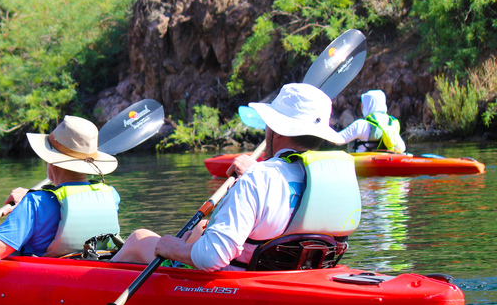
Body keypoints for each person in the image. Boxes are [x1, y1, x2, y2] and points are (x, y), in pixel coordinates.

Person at [110, 83, 361, 270]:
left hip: (238, 282)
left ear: (273, 128)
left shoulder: (258, 180)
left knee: (139, 238)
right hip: (300, 274)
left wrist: (174, 249)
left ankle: (94, 280)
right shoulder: (336, 178)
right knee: (200, 228)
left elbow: (212, 258)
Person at [0, 116, 121, 271]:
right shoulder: (111, 195)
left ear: (51, 161)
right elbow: (71, 203)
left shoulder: (34, 204)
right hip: (96, 270)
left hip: (46, 287)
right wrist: (30, 199)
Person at [335, 89, 406, 153]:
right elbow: (401, 148)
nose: (361, 106)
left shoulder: (361, 125)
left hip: (360, 164)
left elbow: (337, 140)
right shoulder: (390, 124)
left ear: (368, 104)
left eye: (363, 103)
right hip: (383, 162)